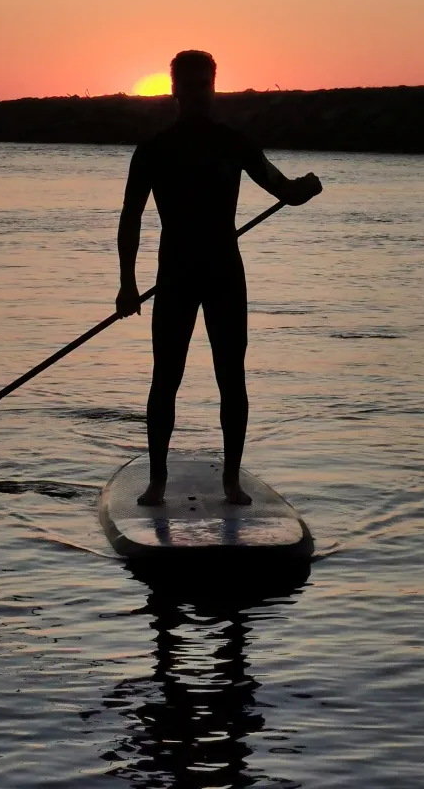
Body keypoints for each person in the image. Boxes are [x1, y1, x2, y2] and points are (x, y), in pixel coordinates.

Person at [116, 50, 321, 506]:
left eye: (202, 85)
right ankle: (157, 482)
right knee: (165, 378)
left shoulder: (235, 143)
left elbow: (280, 189)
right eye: (186, 86)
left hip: (224, 273)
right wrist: (127, 283)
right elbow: (130, 219)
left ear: (213, 87)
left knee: (232, 378)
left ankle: (232, 481)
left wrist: (302, 189)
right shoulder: (153, 151)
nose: (195, 94)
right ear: (173, 90)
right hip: (175, 276)